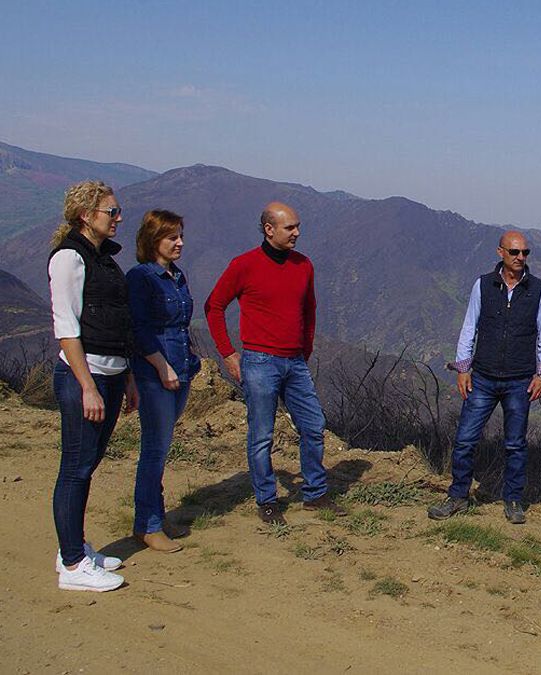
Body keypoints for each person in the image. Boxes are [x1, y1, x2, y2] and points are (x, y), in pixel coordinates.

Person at [204, 201, 346, 525]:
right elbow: (214, 306)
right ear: (269, 229)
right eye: (290, 227)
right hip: (259, 360)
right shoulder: (244, 265)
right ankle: (266, 501)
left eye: (297, 226)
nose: (297, 233)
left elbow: (309, 310)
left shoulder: (304, 265)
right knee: (262, 435)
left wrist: (304, 350)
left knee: (313, 426)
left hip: (294, 362)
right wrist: (228, 353)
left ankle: (315, 493)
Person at [428, 231, 541, 525]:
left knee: (515, 444)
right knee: (465, 439)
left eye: (525, 253)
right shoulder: (483, 285)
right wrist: (463, 368)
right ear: (500, 252)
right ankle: (458, 495)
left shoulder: (538, 289)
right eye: (515, 252)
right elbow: (469, 326)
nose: (521, 258)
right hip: (483, 377)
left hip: (520, 379)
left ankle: (513, 499)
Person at [48, 180, 136, 592]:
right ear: (87, 215)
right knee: (76, 468)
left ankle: (76, 547)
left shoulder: (102, 258)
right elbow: (66, 328)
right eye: (111, 212)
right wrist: (87, 386)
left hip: (112, 372)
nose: (118, 218)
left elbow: (118, 321)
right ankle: (72, 564)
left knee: (88, 464)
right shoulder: (70, 258)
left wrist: (128, 376)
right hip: (88, 376)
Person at [126, 210, 201, 553]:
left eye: (181, 235)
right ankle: (148, 524)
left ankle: (155, 515)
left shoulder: (176, 276)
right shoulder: (142, 278)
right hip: (157, 375)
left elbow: (181, 323)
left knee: (163, 446)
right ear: (154, 240)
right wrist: (161, 366)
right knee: (155, 449)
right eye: (172, 237)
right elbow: (139, 329)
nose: (180, 243)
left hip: (181, 368)